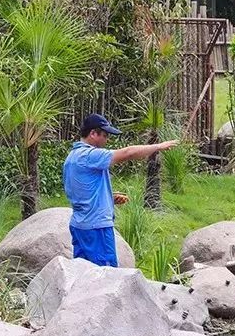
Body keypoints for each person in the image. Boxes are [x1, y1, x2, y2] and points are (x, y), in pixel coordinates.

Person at [63, 113, 178, 267]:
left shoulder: (71, 157)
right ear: (93, 134)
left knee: (83, 275)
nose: (107, 140)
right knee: (106, 276)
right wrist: (158, 146)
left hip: (80, 226)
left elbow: (78, 191)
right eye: (105, 135)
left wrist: (108, 198)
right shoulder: (89, 155)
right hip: (97, 227)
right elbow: (127, 153)